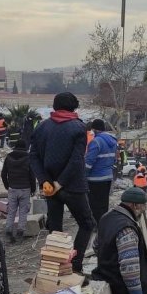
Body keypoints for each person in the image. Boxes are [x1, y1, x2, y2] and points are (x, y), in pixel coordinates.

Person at [29, 92, 95, 273]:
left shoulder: (42, 127)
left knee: (55, 228)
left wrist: (44, 180)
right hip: (73, 186)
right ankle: (75, 266)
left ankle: (57, 266)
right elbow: (76, 160)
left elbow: (33, 156)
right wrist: (61, 182)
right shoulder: (79, 127)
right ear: (73, 107)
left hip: (50, 188)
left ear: (55, 106)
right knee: (87, 224)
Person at [1, 139, 36, 243]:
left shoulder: (8, 157)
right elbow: (32, 175)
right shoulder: (28, 158)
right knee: (23, 212)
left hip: (12, 188)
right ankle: (20, 232)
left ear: (15, 146)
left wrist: (7, 186)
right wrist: (33, 189)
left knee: (11, 211)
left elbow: (3, 174)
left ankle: (8, 231)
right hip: (25, 188)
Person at [85, 118, 118, 223]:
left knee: (94, 206)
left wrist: (83, 175)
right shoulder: (113, 141)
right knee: (104, 204)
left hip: (95, 179)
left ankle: (98, 226)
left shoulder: (96, 142)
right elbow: (114, 160)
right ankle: (104, 225)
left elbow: (89, 162)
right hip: (108, 178)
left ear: (95, 129)